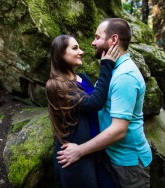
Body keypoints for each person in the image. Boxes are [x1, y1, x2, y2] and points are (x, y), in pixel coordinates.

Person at [57, 18, 152, 188]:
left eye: (97, 37)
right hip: (112, 156)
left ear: (113, 40)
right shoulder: (113, 68)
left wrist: (79, 150)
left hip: (127, 163)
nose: (93, 43)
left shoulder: (125, 76)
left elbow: (118, 130)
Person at [45, 34, 120, 188]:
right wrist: (106, 65)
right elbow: (94, 103)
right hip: (74, 156)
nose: (81, 52)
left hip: (94, 149)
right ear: (60, 54)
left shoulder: (82, 77)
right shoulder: (56, 85)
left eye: (79, 47)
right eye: (75, 48)